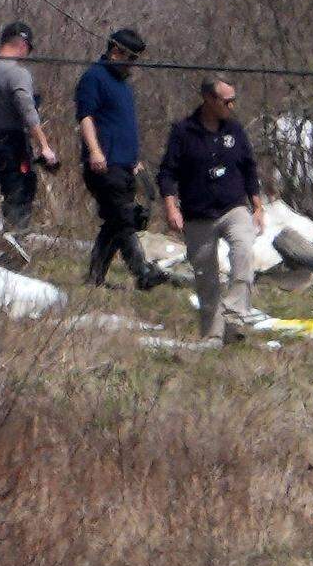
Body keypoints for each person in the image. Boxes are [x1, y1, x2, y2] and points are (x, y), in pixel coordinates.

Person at [158, 75, 265, 343]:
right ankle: (214, 335)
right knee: (206, 276)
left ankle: (234, 313)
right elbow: (168, 172)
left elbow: (249, 167)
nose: (232, 106)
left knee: (243, 253)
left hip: (233, 208)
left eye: (233, 101)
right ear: (209, 99)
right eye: (227, 101)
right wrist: (171, 207)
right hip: (198, 214)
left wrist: (257, 205)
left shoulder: (235, 131)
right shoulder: (183, 132)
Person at [75, 28, 168, 290]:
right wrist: (95, 151)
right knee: (124, 219)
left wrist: (134, 160)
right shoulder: (94, 77)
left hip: (125, 163)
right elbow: (86, 117)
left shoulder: (123, 86)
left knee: (116, 221)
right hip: (104, 163)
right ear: (116, 51)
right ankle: (141, 272)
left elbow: (122, 125)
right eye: (130, 58)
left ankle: (94, 278)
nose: (132, 65)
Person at [0, 21, 58, 232]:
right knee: (21, 193)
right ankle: (14, 247)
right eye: (28, 49)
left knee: (9, 192)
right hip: (14, 144)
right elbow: (28, 111)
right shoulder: (17, 73)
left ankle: (11, 242)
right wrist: (44, 146)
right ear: (22, 44)